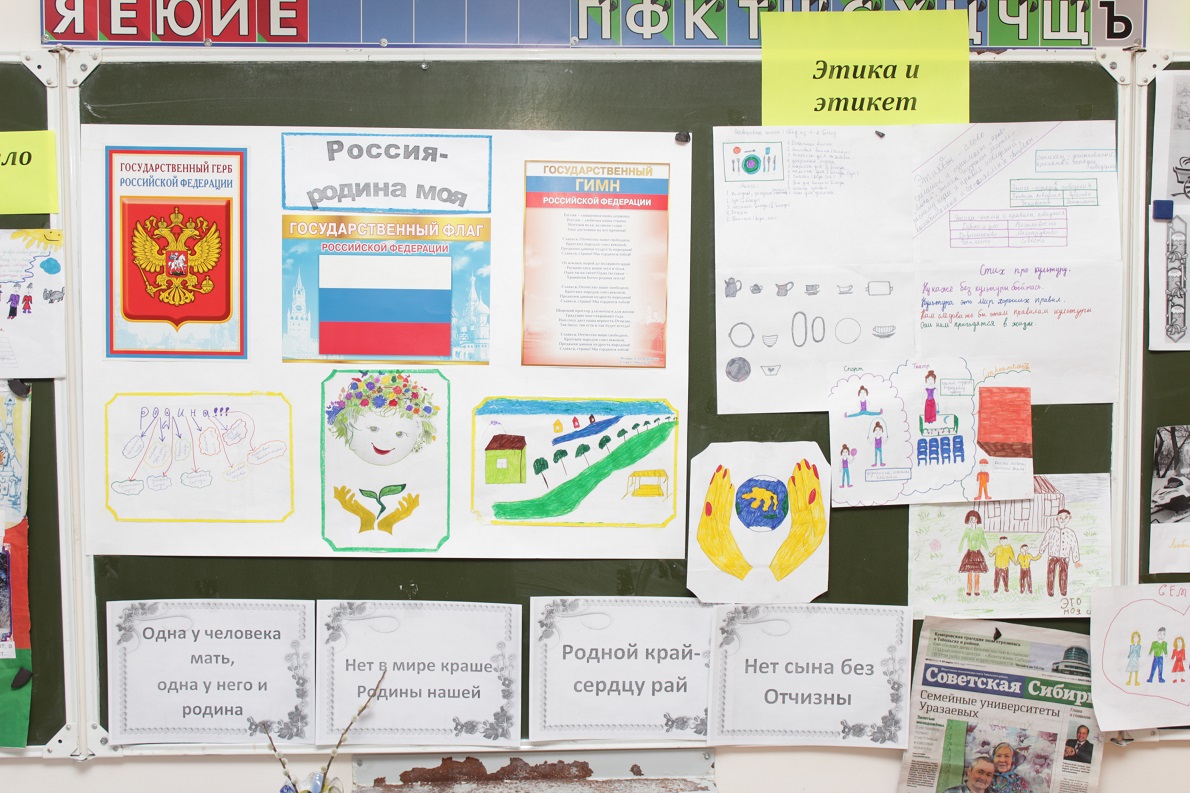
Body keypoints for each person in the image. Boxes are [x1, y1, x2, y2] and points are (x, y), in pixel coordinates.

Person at [1037, 509, 1081, 597]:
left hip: (1064, 557)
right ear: (1057, 518)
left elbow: (1074, 546)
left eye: (1066, 517)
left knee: (1063, 575)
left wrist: (1076, 560)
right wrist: (1041, 552)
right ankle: (1050, 591)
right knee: (1050, 574)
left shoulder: (1070, 533)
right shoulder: (1052, 530)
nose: (1063, 519)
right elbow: (1045, 541)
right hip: (1052, 556)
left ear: (1069, 518)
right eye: (1060, 517)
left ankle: (1063, 591)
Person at [958, 509, 989, 597]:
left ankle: (977, 590)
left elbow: (983, 540)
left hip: (977, 553)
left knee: (977, 573)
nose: (973, 520)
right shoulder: (967, 530)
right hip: (970, 553)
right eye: (971, 519)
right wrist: (959, 550)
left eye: (974, 518)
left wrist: (987, 549)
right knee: (969, 572)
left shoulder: (980, 530)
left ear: (977, 519)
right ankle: (968, 590)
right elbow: (962, 540)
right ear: (968, 520)